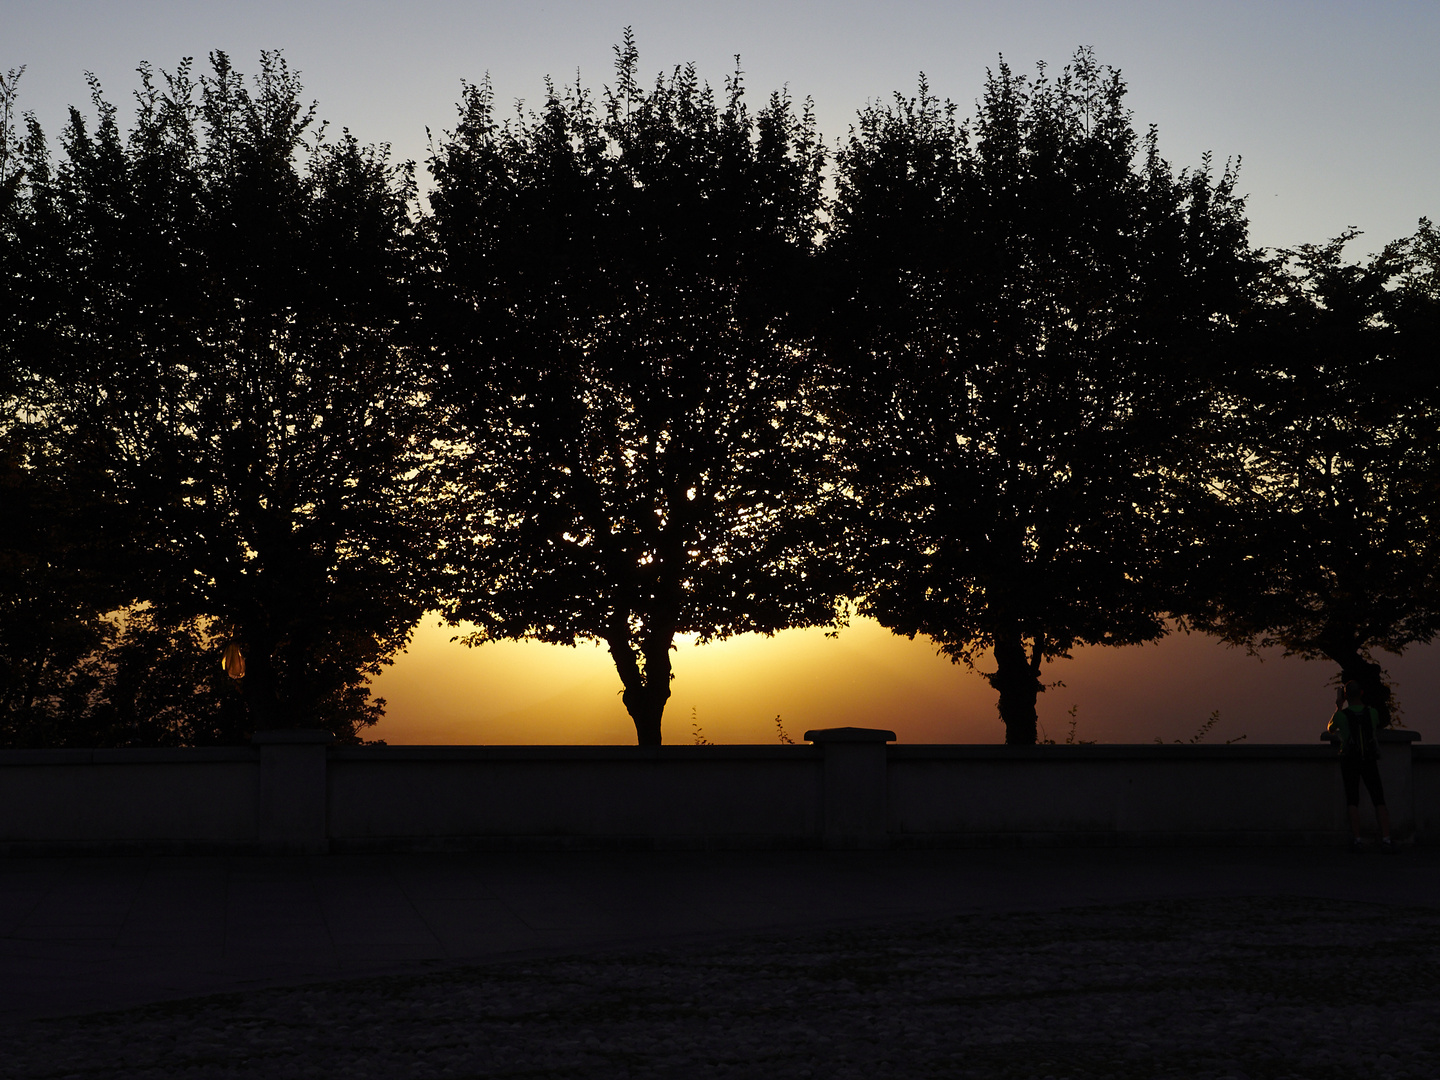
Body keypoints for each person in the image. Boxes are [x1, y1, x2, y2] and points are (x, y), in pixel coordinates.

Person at [1327, 680, 1393, 852]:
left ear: (1346, 695)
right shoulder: (1372, 713)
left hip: (1349, 759)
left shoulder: (1342, 716)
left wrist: (1338, 707)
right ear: (1362, 693)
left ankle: (1357, 840)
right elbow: (1376, 725)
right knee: (1378, 798)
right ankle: (1386, 839)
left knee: (1352, 799)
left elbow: (1331, 729)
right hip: (1369, 759)